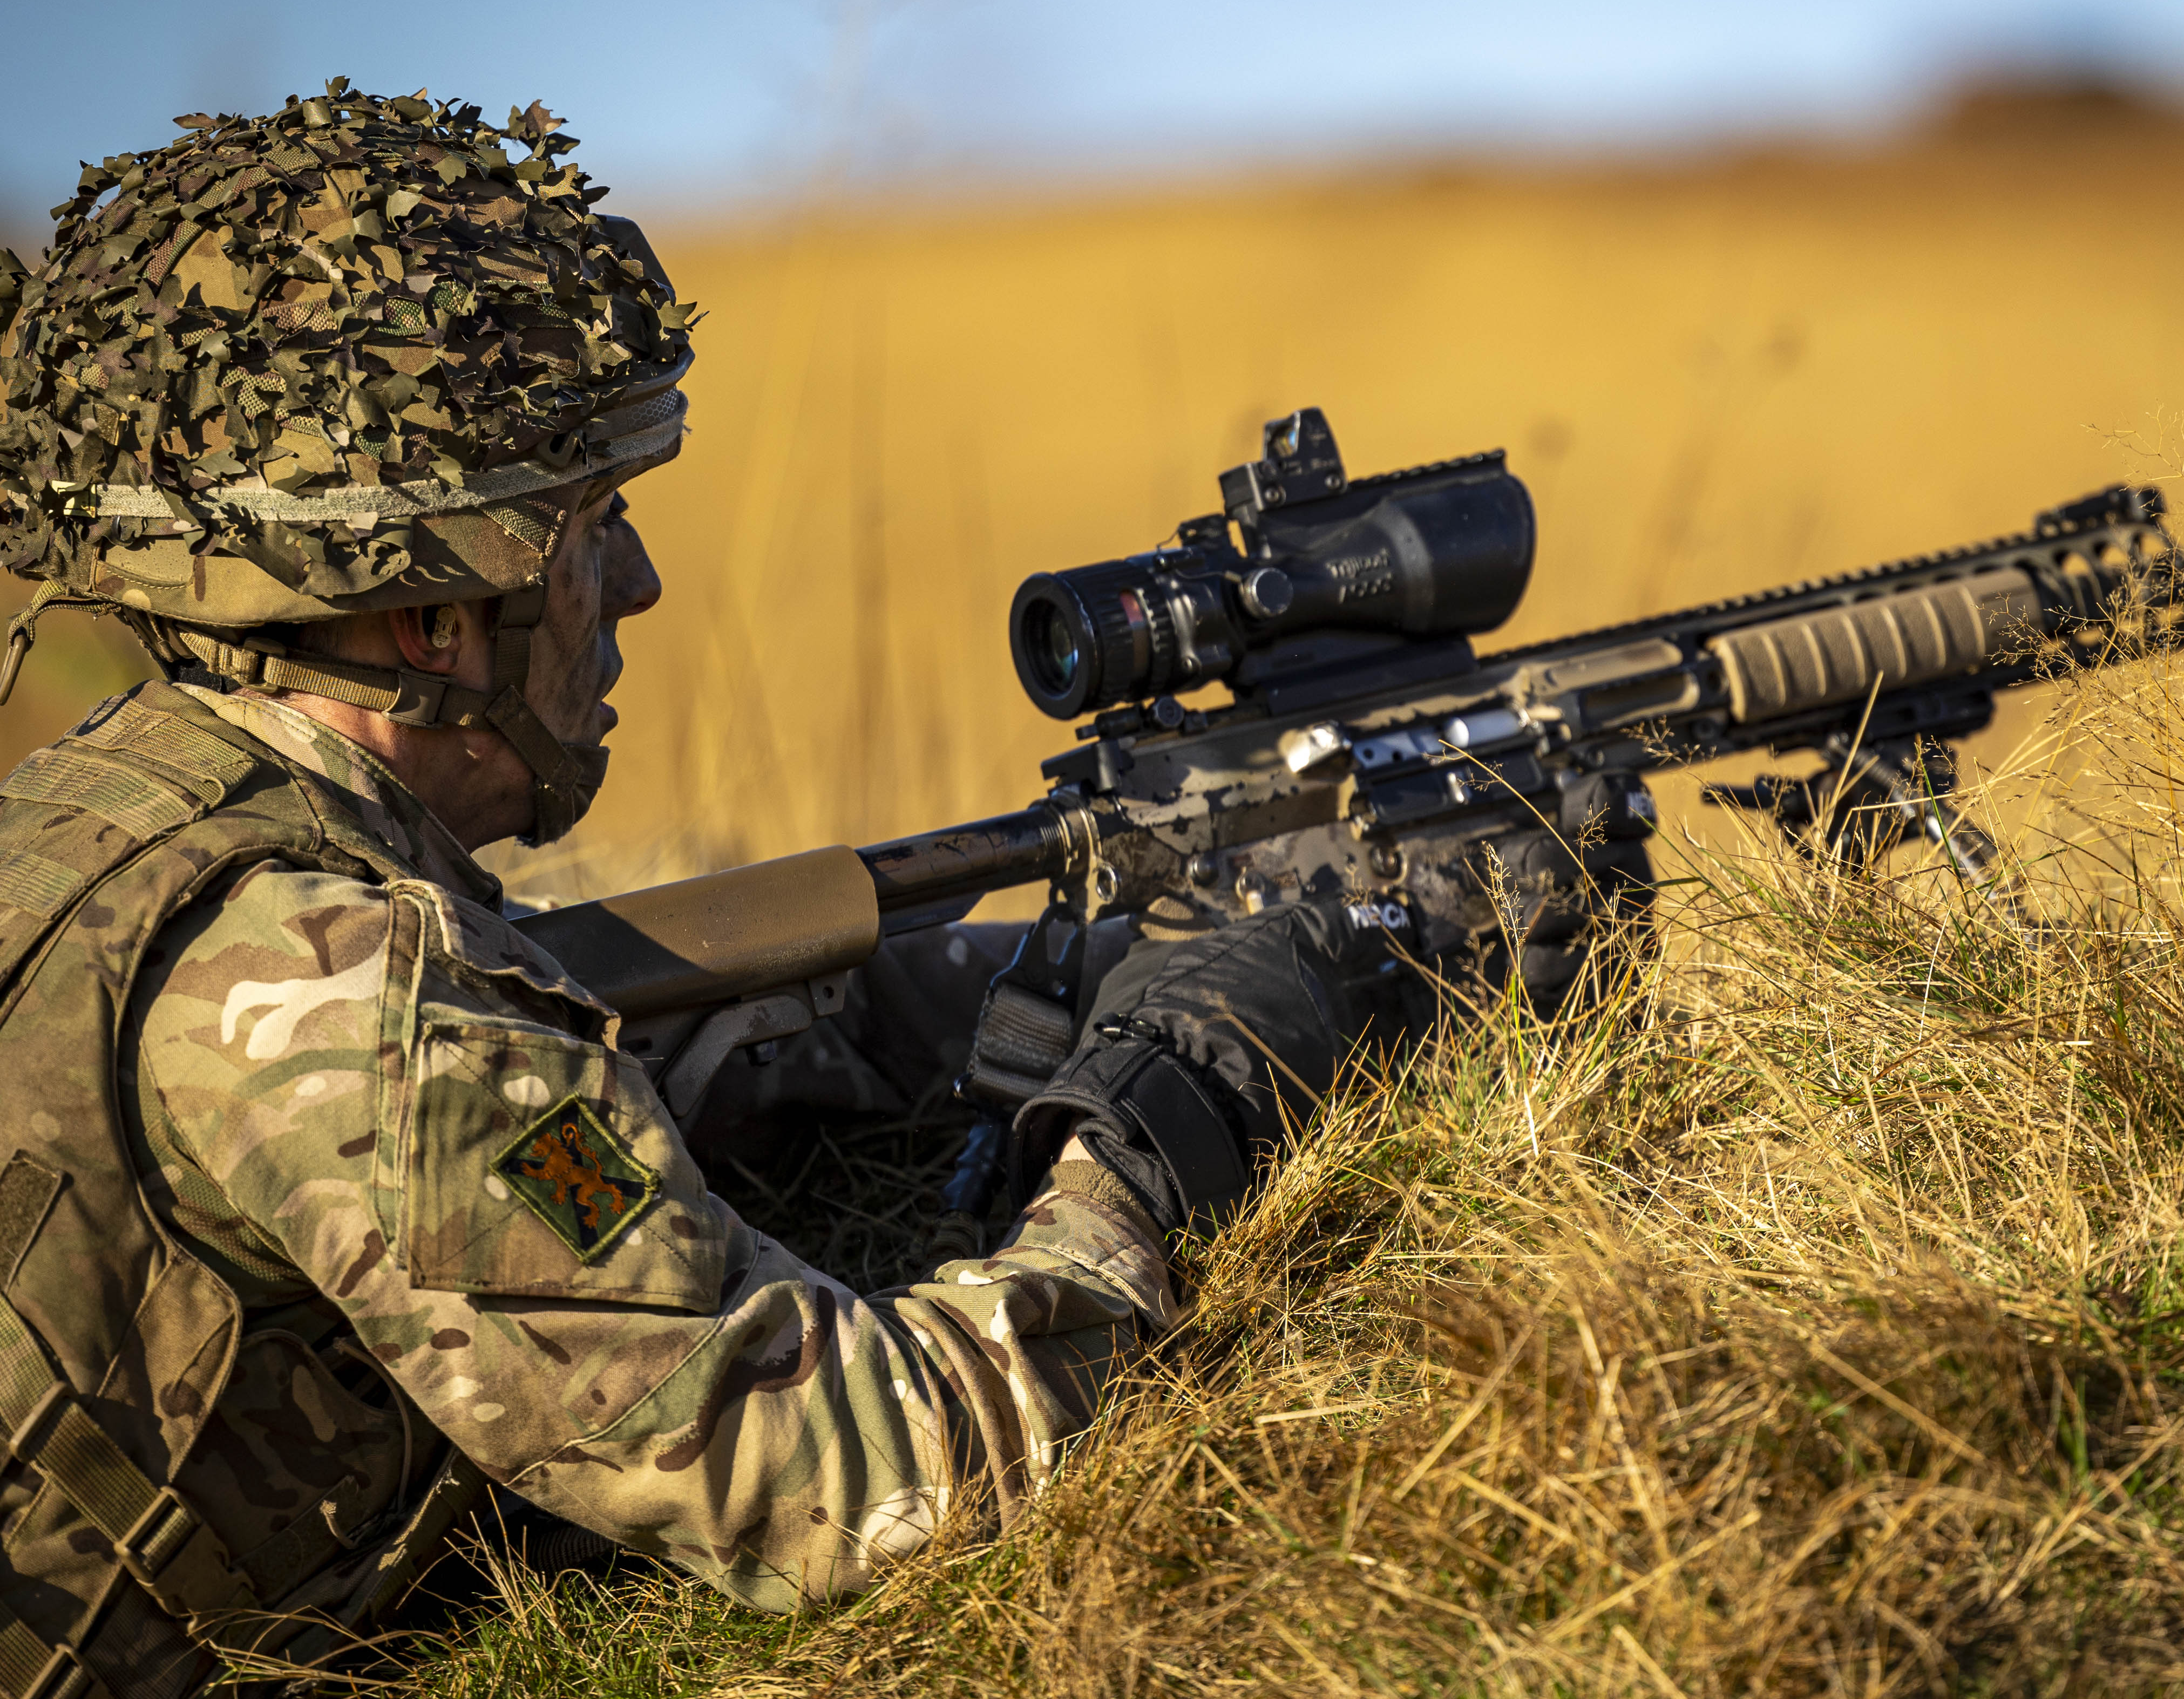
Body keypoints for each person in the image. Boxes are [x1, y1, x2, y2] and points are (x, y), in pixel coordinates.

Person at [0, 86, 1512, 1696]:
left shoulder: (108, 813)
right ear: (434, 622)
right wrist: (1162, 1110)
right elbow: (853, 1483)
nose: (639, 583)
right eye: (593, 529)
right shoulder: (335, 994)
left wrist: (1063, 975)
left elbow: (579, 1050)